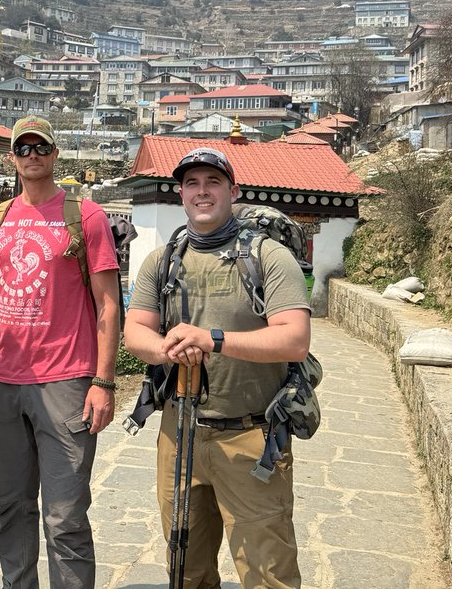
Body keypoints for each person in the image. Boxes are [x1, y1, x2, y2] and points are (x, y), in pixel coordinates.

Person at [123, 147, 312, 589]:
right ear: (181, 193)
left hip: (252, 436)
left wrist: (215, 340)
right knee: (185, 567)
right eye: (192, 183)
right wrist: (167, 350)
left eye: (212, 182)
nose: (202, 191)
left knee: (268, 571)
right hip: (180, 430)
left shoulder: (267, 257)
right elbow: (136, 332)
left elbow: (295, 339)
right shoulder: (162, 260)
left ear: (233, 190)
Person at [0, 114, 120, 589]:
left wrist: (103, 381)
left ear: (54, 154)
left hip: (66, 381)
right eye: (22, 148)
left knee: (65, 516)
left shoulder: (85, 217)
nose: (32, 156)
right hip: (6, 381)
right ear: (12, 157)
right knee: (9, 507)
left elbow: (109, 303)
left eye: (40, 147)